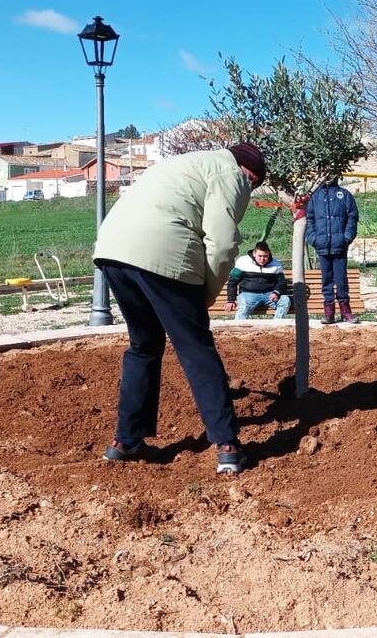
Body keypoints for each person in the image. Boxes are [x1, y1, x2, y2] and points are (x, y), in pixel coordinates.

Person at [93, 142, 266, 474]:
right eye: (254, 185)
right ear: (251, 175)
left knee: (144, 346)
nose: (250, 190)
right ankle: (228, 446)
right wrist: (207, 295)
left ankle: (125, 441)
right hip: (162, 250)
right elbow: (222, 243)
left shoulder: (189, 163)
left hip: (112, 249)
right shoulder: (231, 174)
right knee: (195, 348)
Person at [305, 177, 360, 324]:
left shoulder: (344, 195)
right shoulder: (314, 197)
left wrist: (346, 238)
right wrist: (313, 239)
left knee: (341, 280)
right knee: (326, 280)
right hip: (322, 246)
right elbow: (309, 219)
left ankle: (345, 311)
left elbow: (352, 218)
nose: (328, 177)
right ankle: (328, 312)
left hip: (339, 245)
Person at [224, 241, 290, 320]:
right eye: (260, 256)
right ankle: (239, 327)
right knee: (243, 306)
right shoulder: (243, 261)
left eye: (265, 256)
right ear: (254, 253)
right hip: (248, 294)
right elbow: (232, 281)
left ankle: (277, 325)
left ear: (269, 254)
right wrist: (231, 300)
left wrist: (276, 292)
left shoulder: (276, 264)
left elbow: (281, 282)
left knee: (285, 300)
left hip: (269, 295)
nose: (262, 259)